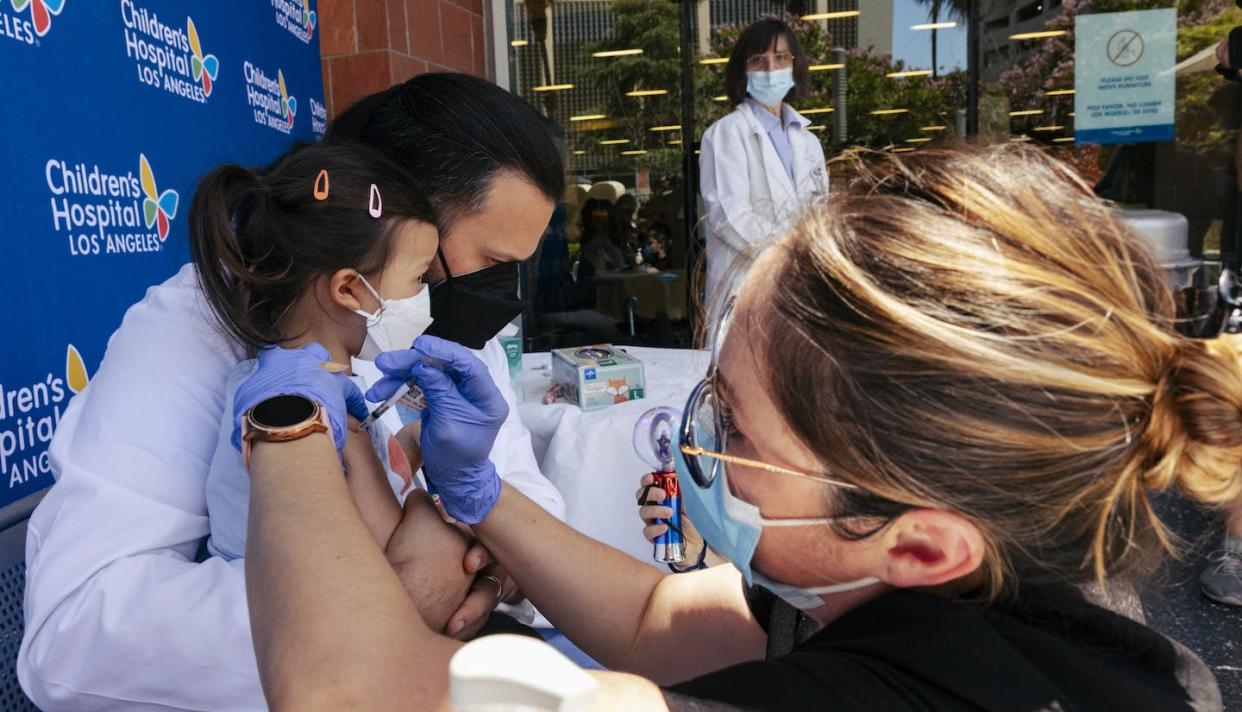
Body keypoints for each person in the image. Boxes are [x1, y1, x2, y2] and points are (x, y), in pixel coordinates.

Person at [239, 145, 1229, 710]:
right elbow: (652, 624)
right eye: (714, 389)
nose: (696, 440)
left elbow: (350, 696)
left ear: (920, 541)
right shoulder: (1003, 549)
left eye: (736, 432)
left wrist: (288, 421)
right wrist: (482, 499)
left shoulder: (942, 689)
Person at [19, 73, 566, 710]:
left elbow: (529, 491)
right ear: (391, 211)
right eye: (493, 263)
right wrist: (382, 605)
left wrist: (494, 570)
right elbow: (75, 634)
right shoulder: (202, 325)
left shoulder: (453, 335)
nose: (503, 293)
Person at [699, 18, 828, 304]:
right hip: (746, 289)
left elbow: (819, 211)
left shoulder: (809, 143)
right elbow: (729, 218)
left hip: (803, 289)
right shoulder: (725, 134)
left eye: (781, 58)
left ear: (794, 65)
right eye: (759, 60)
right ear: (743, 71)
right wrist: (793, 251)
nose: (771, 69)